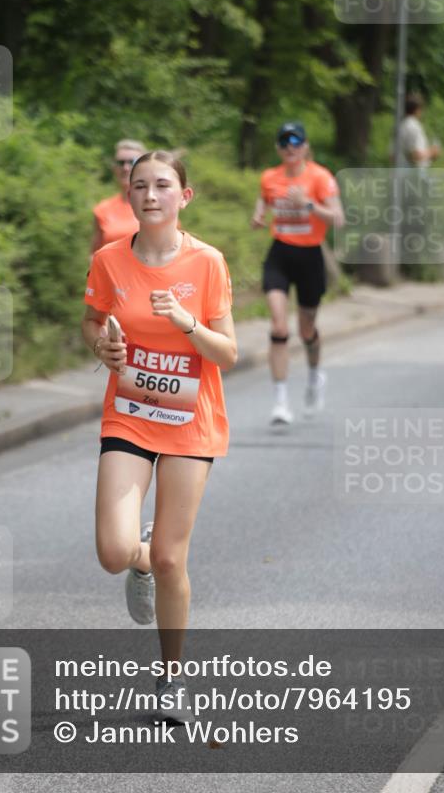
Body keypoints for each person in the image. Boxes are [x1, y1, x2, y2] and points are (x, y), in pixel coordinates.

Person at [82, 150, 237, 722]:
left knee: (175, 560)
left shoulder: (207, 263)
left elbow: (228, 351)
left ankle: (172, 680)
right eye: (140, 184)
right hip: (128, 414)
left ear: (184, 197)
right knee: (113, 553)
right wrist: (102, 345)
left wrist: (187, 324)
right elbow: (93, 320)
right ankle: (137, 560)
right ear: (129, 195)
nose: (150, 194)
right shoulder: (108, 261)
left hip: (190, 422)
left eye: (163, 185)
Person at [251, 122, 343, 424]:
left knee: (306, 330)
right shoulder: (270, 177)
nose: (290, 147)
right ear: (278, 148)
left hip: (310, 257)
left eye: (296, 141)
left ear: (305, 147)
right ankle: (280, 402)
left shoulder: (320, 177)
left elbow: (338, 219)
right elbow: (264, 197)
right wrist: (258, 214)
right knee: (279, 326)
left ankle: (315, 375)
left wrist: (309, 205)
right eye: (284, 142)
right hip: (280, 254)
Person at [90, 139, 147, 255]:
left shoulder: (158, 205)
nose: (125, 168)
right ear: (114, 168)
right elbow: (94, 254)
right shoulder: (103, 209)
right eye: (121, 163)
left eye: (132, 162)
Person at [395, 93, 440, 167]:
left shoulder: (400, 126)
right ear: (417, 109)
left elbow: (392, 156)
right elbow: (416, 155)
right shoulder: (414, 126)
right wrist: (432, 152)